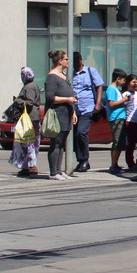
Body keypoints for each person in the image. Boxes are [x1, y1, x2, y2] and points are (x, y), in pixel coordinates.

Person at [44, 49, 78, 181]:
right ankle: (53, 172)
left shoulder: (63, 76)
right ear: (60, 61)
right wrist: (67, 100)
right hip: (57, 114)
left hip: (66, 113)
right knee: (56, 142)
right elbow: (50, 97)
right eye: (66, 59)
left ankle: (58, 170)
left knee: (62, 143)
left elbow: (70, 94)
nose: (68, 61)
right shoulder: (52, 77)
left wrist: (73, 111)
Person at [71, 52, 105, 174]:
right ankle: (80, 160)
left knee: (81, 132)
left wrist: (97, 104)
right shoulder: (71, 74)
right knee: (75, 136)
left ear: (80, 60)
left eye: (75, 62)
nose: (74, 65)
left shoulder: (91, 71)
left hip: (87, 108)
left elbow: (99, 86)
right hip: (75, 109)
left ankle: (85, 159)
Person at [8, 66, 42, 177]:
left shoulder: (29, 87)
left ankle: (32, 166)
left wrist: (18, 101)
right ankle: (26, 166)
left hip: (30, 118)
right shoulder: (32, 85)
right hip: (32, 117)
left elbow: (29, 102)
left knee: (29, 142)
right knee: (28, 142)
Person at [105, 69, 131, 175]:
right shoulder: (111, 89)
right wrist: (124, 100)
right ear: (118, 79)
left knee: (120, 142)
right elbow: (111, 104)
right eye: (123, 80)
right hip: (116, 118)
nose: (124, 82)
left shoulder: (116, 89)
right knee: (117, 141)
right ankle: (113, 165)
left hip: (120, 117)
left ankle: (115, 164)